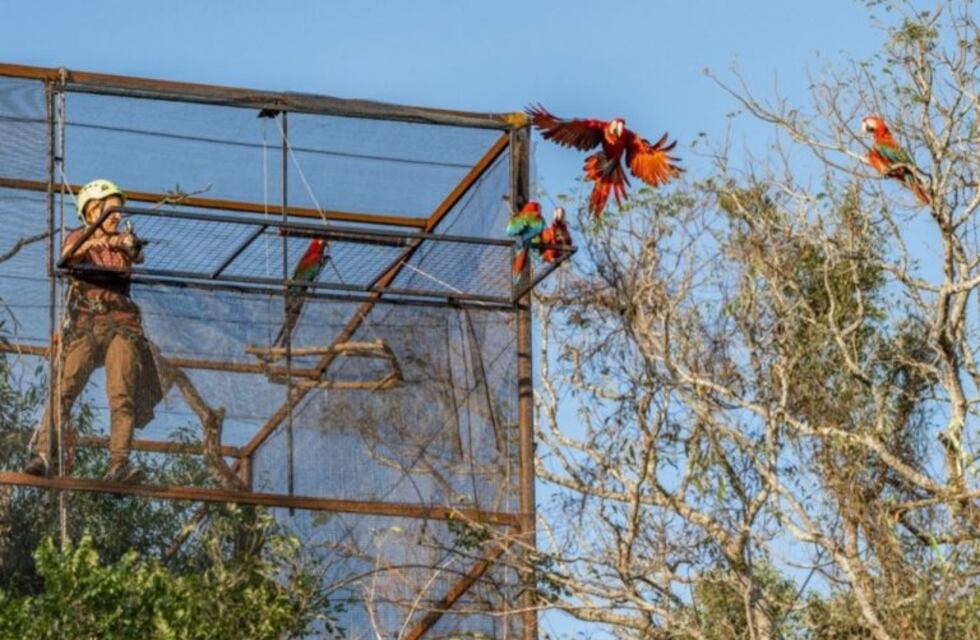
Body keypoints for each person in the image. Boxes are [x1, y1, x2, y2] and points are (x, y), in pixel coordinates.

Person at [24, 179, 163, 484]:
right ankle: (45, 453)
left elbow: (137, 255)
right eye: (110, 211)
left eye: (118, 212)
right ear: (91, 212)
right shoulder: (79, 237)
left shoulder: (123, 241)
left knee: (122, 394)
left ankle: (119, 464)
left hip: (122, 326)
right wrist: (105, 242)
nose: (116, 217)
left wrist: (127, 244)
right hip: (87, 325)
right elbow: (70, 256)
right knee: (65, 388)